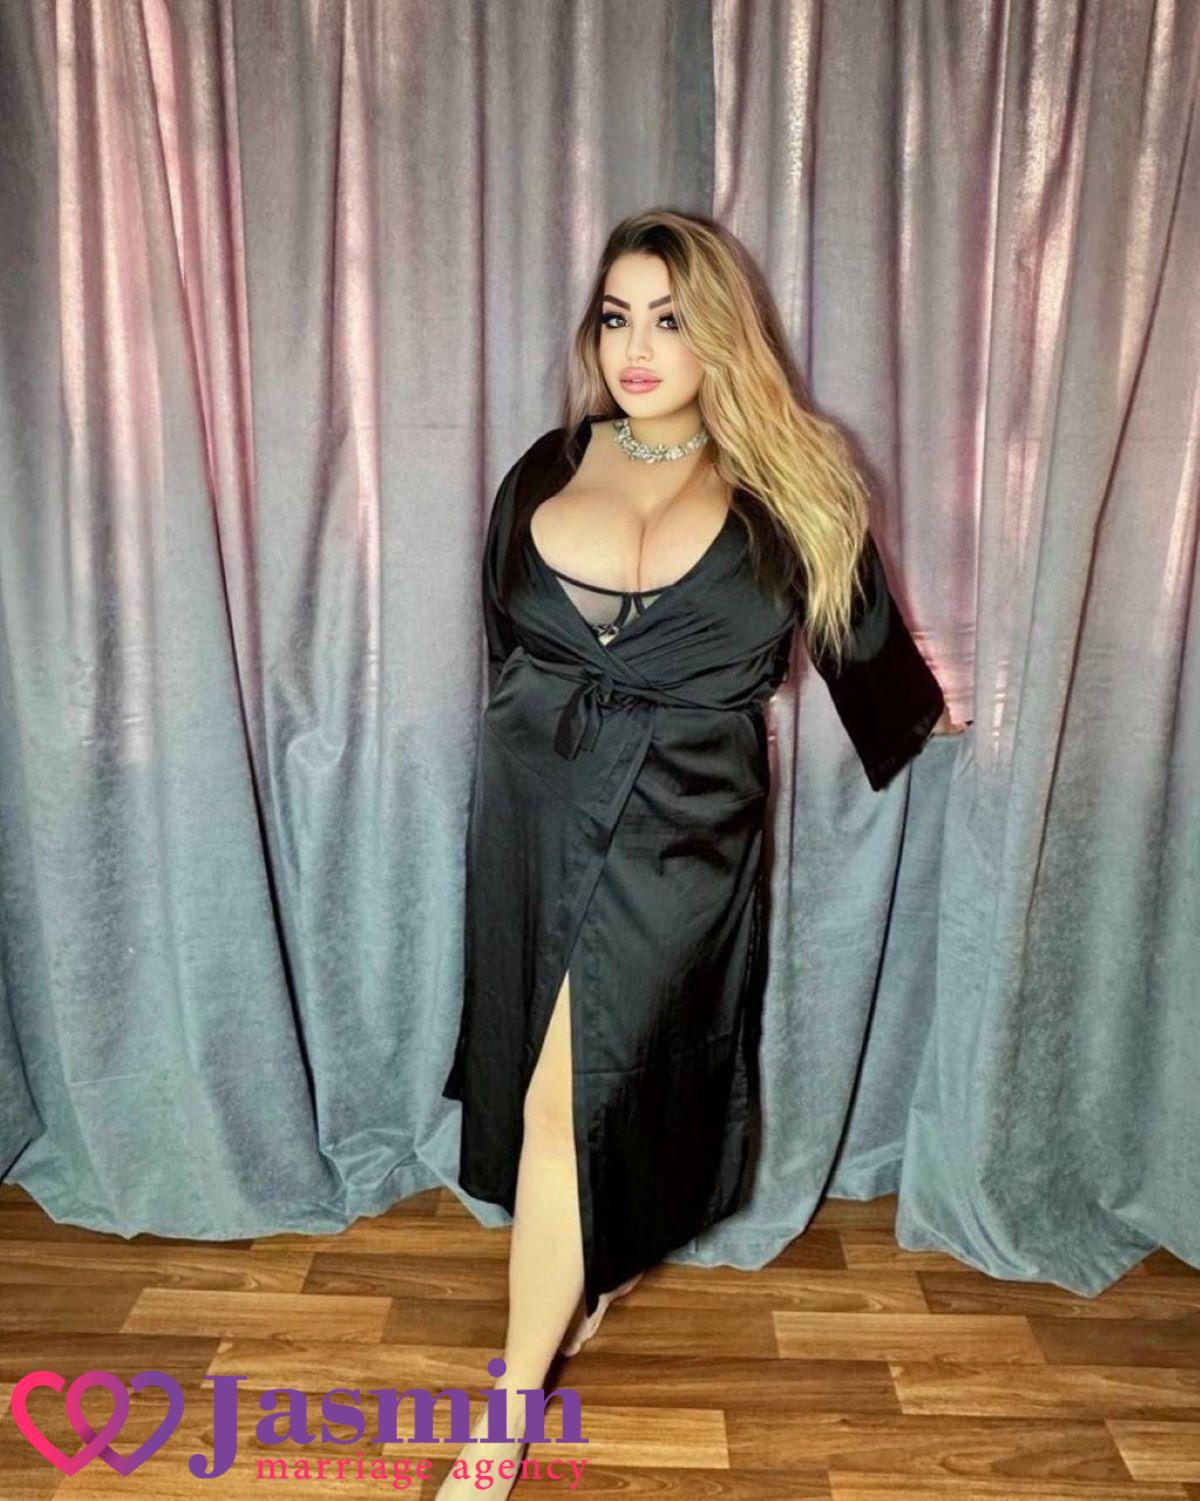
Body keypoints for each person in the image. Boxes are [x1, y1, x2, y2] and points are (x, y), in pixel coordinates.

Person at [436, 209, 965, 1497]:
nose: (637, 346)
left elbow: (864, 647)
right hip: (533, 816)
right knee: (550, 1087)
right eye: (617, 316)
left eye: (669, 319)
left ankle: (504, 1415)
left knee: (594, 1086)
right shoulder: (542, 470)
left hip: (682, 835)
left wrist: (938, 716)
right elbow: (504, 640)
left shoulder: (792, 488)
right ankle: (577, 1287)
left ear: (721, 330)